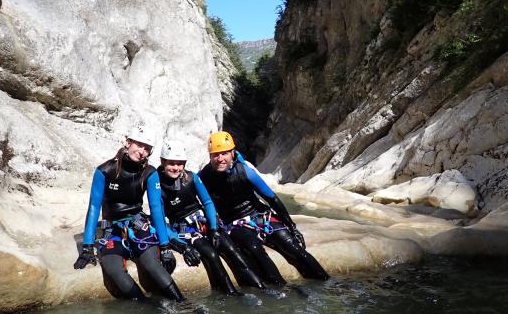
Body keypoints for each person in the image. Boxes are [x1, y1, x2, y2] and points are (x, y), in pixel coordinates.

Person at [73, 127, 197, 302]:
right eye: (139, 145)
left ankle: (184, 305)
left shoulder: (150, 173)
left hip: (139, 226)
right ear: (128, 142)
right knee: (113, 270)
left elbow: (156, 210)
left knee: (151, 264)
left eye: (147, 148)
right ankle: (146, 307)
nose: (142, 152)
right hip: (113, 230)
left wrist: (165, 246)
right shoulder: (105, 170)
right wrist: (87, 247)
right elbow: (93, 207)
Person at [198, 131, 330, 286]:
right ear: (210, 156)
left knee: (294, 249)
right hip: (232, 224)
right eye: (216, 155)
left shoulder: (245, 171)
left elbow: (271, 198)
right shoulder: (203, 177)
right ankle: (282, 289)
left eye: (224, 154)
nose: (220, 159)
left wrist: (291, 226)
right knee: (254, 249)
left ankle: (327, 283)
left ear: (232, 153)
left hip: (259, 215)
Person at [147, 140, 266, 295]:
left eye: (179, 163)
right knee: (211, 255)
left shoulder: (192, 177)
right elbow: (158, 218)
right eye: (171, 163)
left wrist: (214, 228)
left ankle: (260, 288)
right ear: (163, 162)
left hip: (204, 223)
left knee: (232, 251)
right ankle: (232, 294)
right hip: (186, 230)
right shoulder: (157, 184)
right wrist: (174, 246)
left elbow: (208, 202)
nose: (175, 168)